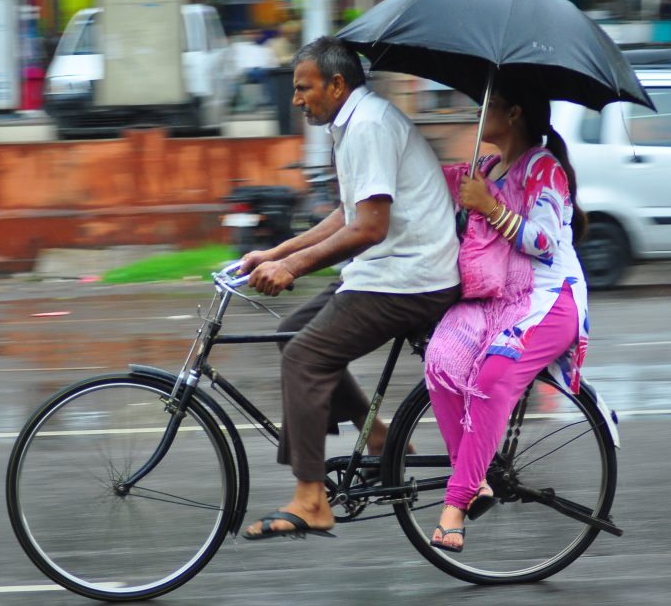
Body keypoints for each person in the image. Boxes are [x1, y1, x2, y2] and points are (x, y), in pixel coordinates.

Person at [238, 35, 461, 540]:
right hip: (388, 270)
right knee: (291, 333)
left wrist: (293, 269)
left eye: (303, 88)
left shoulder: (369, 125)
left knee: (303, 358)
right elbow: (349, 213)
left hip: (410, 277)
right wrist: (275, 253)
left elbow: (368, 228)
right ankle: (382, 439)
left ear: (337, 84)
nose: (296, 99)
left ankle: (311, 499)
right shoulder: (354, 122)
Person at [423, 74, 589, 552]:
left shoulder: (546, 170)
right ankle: (475, 480)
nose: (479, 112)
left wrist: (490, 206)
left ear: (514, 113)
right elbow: (438, 185)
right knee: (441, 362)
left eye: (488, 104)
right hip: (495, 297)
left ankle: (456, 505)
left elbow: (543, 242)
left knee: (492, 379)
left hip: (547, 299)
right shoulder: (488, 165)